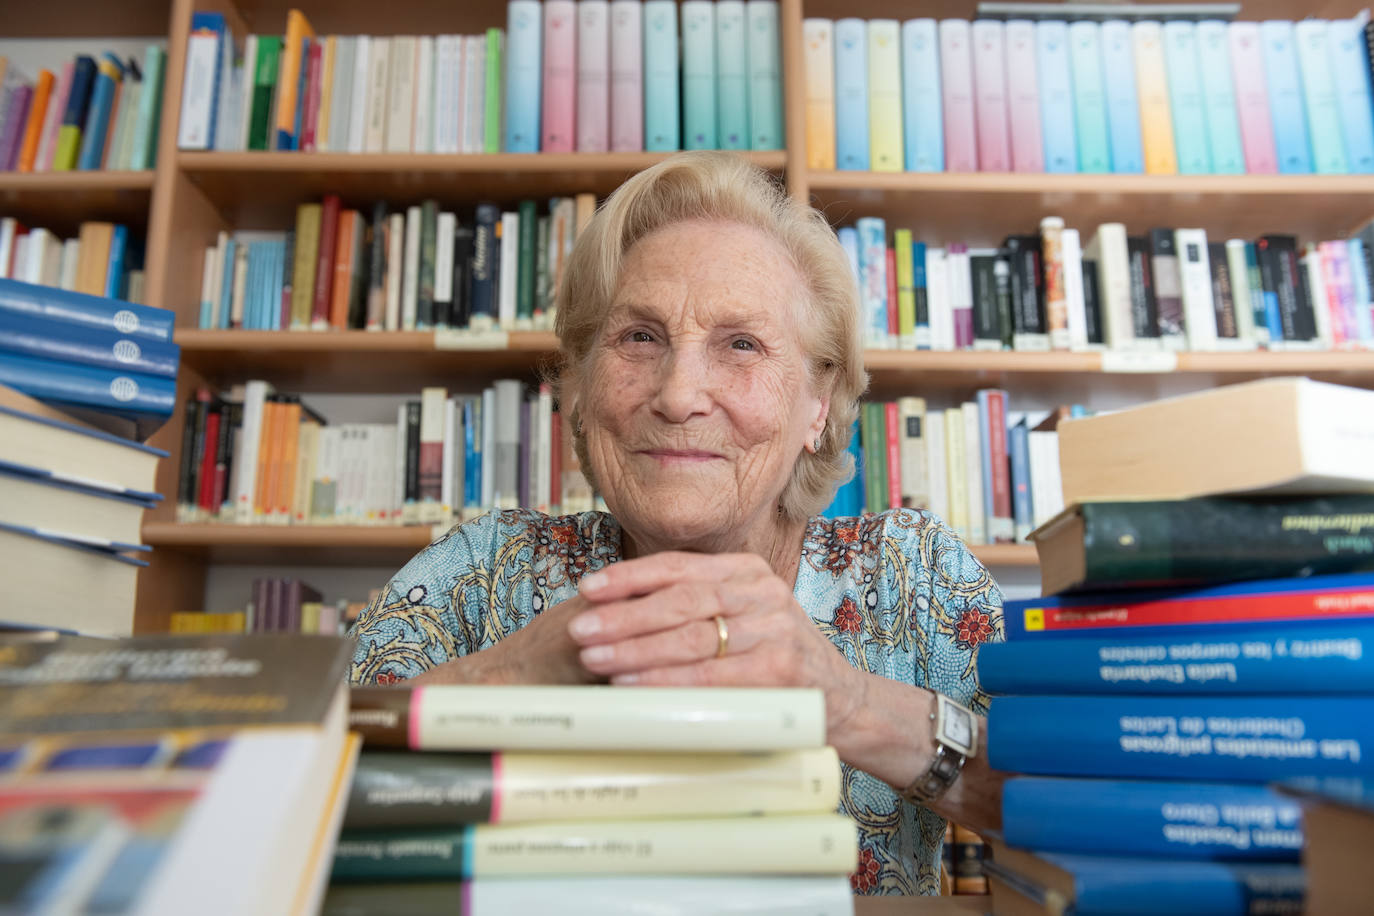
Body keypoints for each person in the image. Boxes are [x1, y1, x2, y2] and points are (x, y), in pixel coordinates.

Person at [349, 151, 1006, 895]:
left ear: (817, 405)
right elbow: (282, 779)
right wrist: (506, 678)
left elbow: (1075, 803)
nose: (678, 394)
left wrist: (851, 704)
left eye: (741, 345)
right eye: (639, 337)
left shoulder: (914, 578)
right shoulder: (485, 572)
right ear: (582, 387)